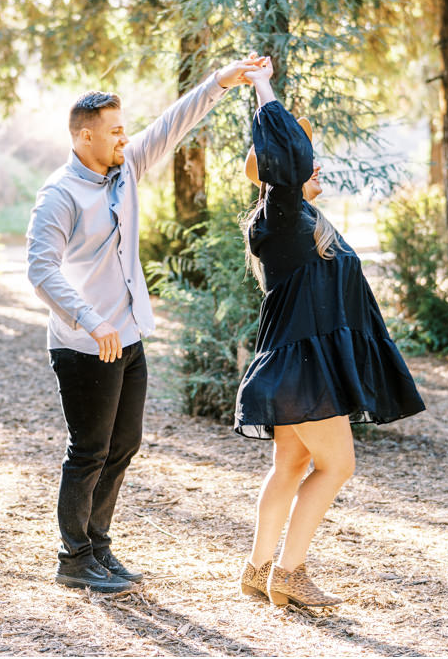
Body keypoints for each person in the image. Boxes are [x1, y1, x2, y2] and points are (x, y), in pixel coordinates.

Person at [26, 54, 265, 593]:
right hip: (84, 344)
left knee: (124, 444)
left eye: (123, 129)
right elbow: (40, 270)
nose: (123, 138)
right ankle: (73, 556)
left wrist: (220, 82)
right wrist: (89, 320)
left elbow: (171, 124)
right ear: (84, 138)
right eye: (113, 132)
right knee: (88, 449)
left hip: (128, 335)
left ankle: (99, 545)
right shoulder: (59, 194)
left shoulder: (126, 167)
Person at [234, 57, 426, 607]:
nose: (314, 165)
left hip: (298, 368)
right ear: (283, 169)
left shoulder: (305, 224)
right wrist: (262, 85)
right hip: (303, 370)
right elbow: (286, 147)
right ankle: (290, 573)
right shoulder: (280, 218)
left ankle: (259, 567)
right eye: (305, 160)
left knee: (291, 465)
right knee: (338, 465)